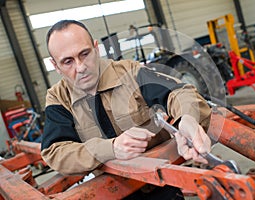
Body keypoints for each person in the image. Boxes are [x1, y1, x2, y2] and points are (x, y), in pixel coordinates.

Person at [41, 19, 212, 199]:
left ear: (96, 48)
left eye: (84, 54)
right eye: (68, 61)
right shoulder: (58, 98)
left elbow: (178, 92)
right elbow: (55, 151)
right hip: (113, 192)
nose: (81, 67)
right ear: (55, 66)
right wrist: (111, 148)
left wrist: (187, 119)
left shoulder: (130, 72)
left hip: (161, 187)